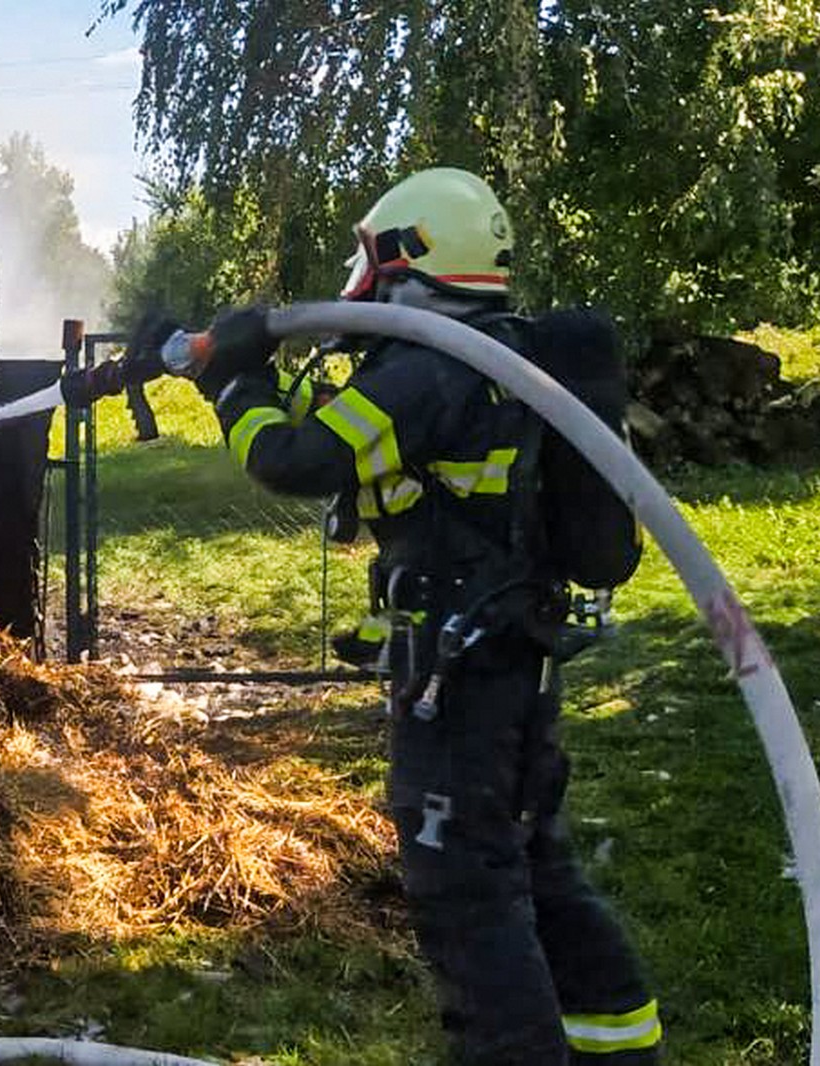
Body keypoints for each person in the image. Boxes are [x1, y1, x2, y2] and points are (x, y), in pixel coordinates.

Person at [144, 168, 660, 1064]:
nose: (359, 277)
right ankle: (621, 1049)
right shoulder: (494, 357)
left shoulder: (429, 370)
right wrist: (222, 363)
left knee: (465, 890)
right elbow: (345, 431)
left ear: (408, 257)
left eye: (369, 256)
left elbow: (295, 456)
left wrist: (231, 385)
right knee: (537, 868)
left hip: (458, 679)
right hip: (511, 658)